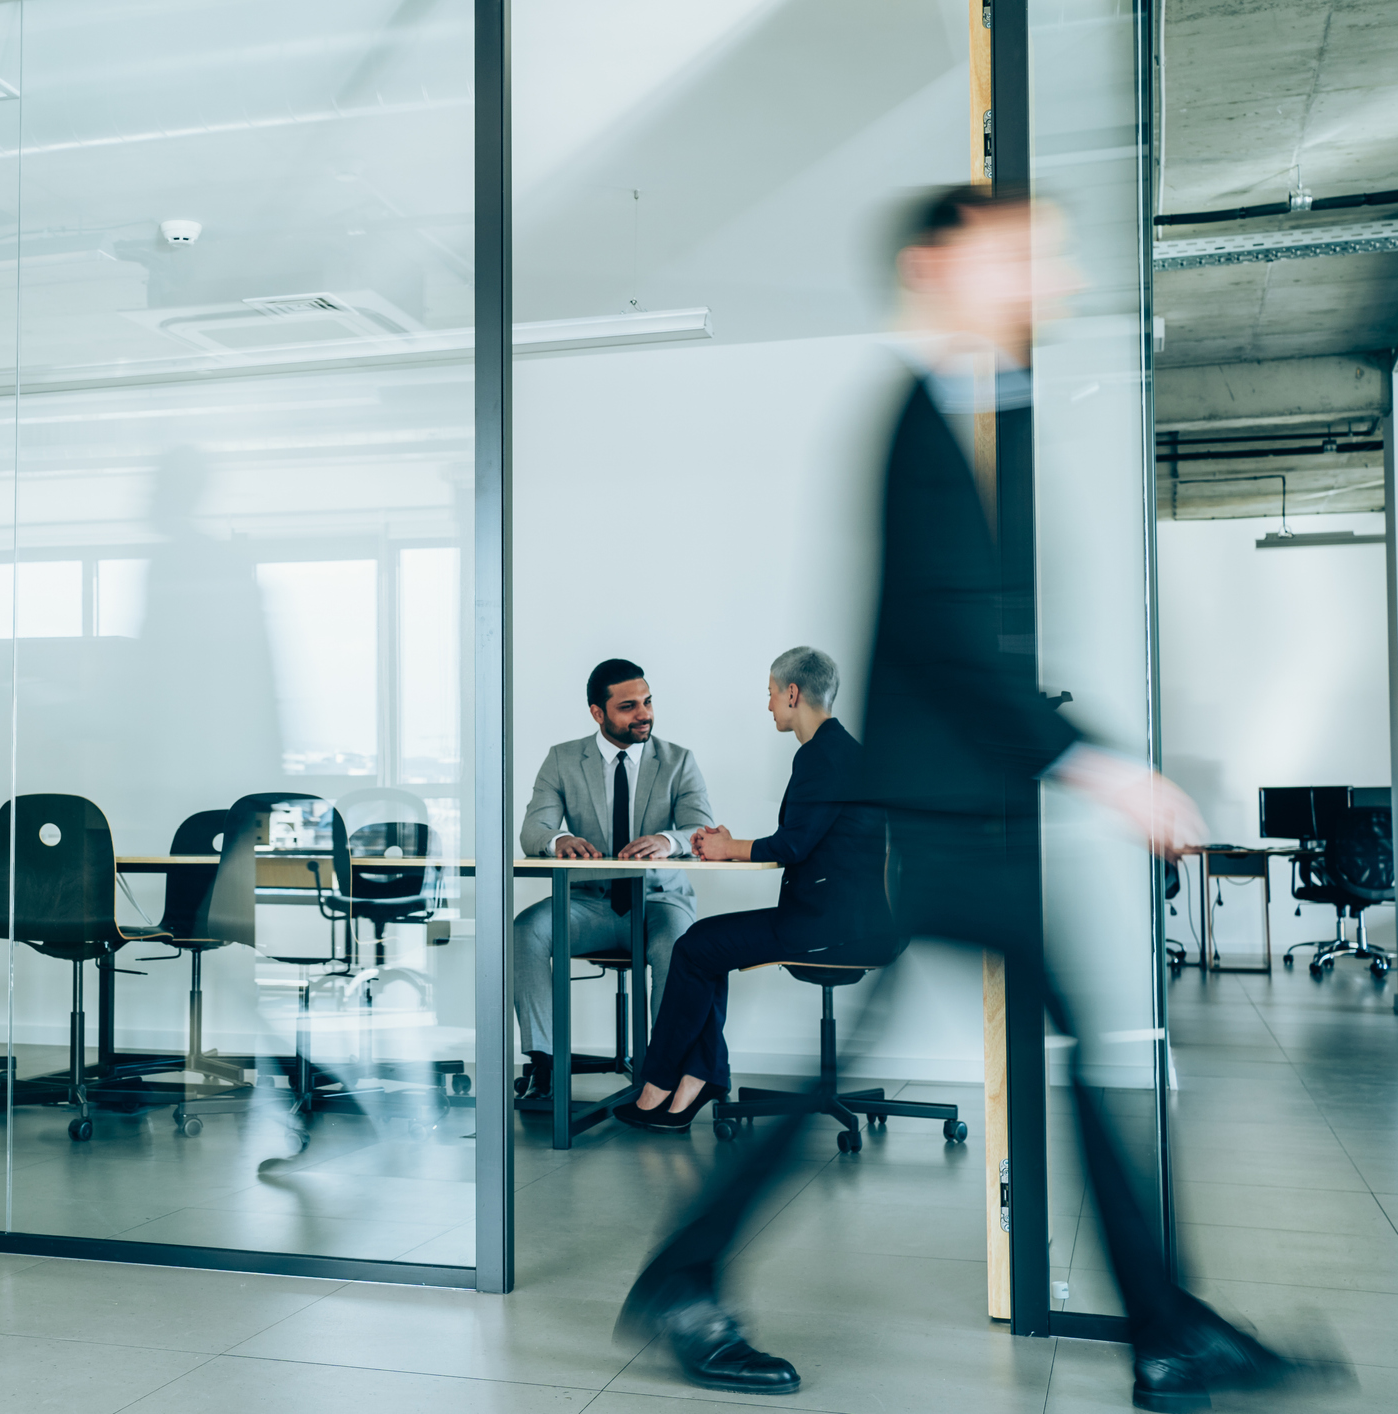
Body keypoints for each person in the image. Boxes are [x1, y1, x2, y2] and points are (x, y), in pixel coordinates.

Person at [617, 183, 1326, 1413]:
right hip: (944, 824)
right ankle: (689, 1277)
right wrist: (1103, 764)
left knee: (1079, 1053)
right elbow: (953, 642)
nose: (1051, 276)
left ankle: (1166, 1328)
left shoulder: (986, 409)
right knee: (1027, 1055)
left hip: (968, 815)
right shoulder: (922, 419)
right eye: (1022, 257)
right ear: (943, 270)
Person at [615, 647, 889, 1136]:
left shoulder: (823, 756)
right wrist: (727, 845)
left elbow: (793, 845)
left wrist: (727, 847)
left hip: (828, 926)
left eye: (769, 694)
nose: (767, 707)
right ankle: (696, 1081)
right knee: (704, 947)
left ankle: (664, 1084)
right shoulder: (841, 750)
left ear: (792, 692)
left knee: (696, 947)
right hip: (846, 918)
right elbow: (810, 838)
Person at [514, 659, 714, 1098]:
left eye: (647, 702)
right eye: (628, 706)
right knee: (525, 931)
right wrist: (558, 841)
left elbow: (701, 830)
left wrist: (667, 839)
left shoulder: (678, 761)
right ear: (597, 713)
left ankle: (664, 1071)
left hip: (661, 902)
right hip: (593, 903)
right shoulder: (563, 760)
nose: (644, 714)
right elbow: (533, 830)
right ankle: (545, 1064)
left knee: (679, 948)